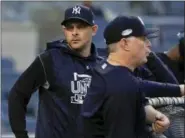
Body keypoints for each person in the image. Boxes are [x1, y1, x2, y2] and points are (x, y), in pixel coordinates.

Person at [8, 5, 101, 138]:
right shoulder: (49, 60)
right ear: (64, 30)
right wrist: (21, 135)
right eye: (70, 27)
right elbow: (17, 94)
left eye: (80, 27)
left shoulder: (102, 67)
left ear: (94, 30)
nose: (74, 32)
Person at [81, 15, 171, 138]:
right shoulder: (121, 84)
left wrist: (156, 116)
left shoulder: (105, 71)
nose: (149, 44)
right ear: (125, 43)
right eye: (143, 39)